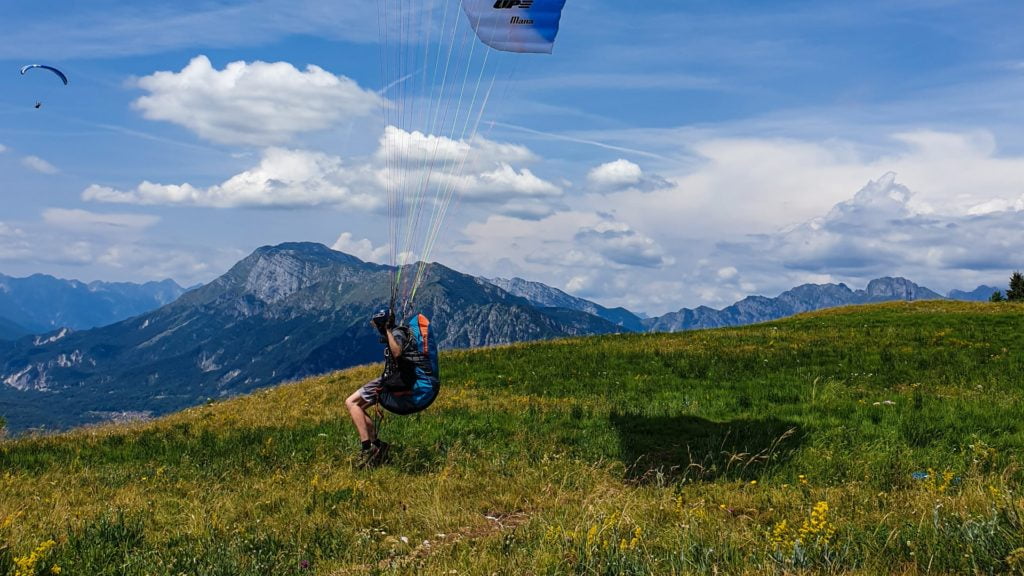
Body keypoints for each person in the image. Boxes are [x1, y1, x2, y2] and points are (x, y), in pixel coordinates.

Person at [344, 308, 404, 466]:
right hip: (391, 379)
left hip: (392, 380)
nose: (376, 329)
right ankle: (378, 446)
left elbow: (398, 353)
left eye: (377, 325)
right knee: (359, 408)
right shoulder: (394, 333)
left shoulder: (396, 334)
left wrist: (388, 331)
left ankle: (367, 447)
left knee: (351, 402)